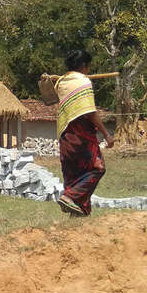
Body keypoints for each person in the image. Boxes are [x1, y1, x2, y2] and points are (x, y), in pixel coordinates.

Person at [54, 50, 114, 216]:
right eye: (88, 67)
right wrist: (107, 134)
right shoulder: (83, 82)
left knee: (76, 176)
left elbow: (48, 97)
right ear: (83, 66)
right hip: (82, 137)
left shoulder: (61, 82)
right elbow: (90, 112)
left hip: (66, 136)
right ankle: (69, 197)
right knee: (97, 168)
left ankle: (79, 215)